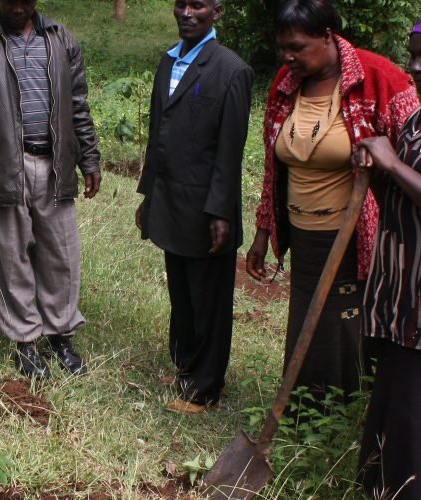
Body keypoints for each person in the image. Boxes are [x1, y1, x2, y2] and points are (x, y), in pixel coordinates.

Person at [246, 0, 418, 409]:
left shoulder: (380, 79)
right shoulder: (287, 83)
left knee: (342, 328)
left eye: (297, 47)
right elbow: (274, 166)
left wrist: (379, 163)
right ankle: (301, 412)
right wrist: (263, 231)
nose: (288, 57)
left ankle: (340, 416)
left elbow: (411, 150)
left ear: (327, 37)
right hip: (303, 235)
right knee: (306, 323)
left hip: (354, 235)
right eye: (282, 48)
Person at [0, 0, 101, 379]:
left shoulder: (61, 40)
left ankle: (60, 335)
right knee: (11, 258)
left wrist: (89, 157)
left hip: (55, 165)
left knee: (60, 256)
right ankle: (25, 343)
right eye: (10, 0)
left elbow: (78, 104)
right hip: (3, 167)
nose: (18, 6)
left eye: (25, 0)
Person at [135, 0, 254, 414]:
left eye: (198, 5)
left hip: (206, 208)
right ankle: (186, 366)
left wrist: (220, 211)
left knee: (208, 298)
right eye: (180, 4)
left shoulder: (231, 70)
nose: (187, 13)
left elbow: (230, 151)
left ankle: (205, 387)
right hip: (170, 201)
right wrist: (148, 195)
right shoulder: (168, 62)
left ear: (217, 12)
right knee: (182, 293)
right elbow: (158, 136)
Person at [355, 22, 421, 499]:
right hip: (403, 299)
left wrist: (393, 163)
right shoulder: (418, 120)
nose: (415, 69)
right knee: (393, 409)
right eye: (412, 55)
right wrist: (380, 171)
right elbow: (400, 198)